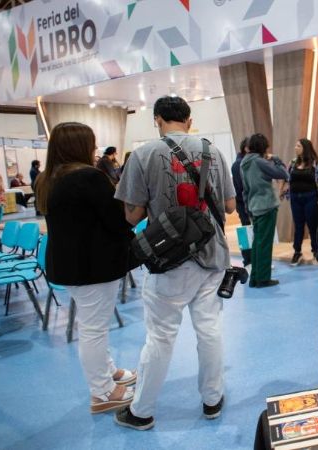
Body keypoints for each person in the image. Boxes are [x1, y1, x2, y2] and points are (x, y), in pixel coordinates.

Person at [114, 96, 236, 430]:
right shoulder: (213, 151)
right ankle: (212, 400)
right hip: (211, 255)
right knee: (209, 329)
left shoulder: (142, 154)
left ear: (157, 119)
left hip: (168, 258)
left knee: (161, 336)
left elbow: (133, 214)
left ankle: (142, 411)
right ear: (189, 119)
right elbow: (228, 205)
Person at [37, 123, 136, 414]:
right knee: (94, 329)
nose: (94, 149)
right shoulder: (89, 178)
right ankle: (103, 392)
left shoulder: (47, 179)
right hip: (93, 266)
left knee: (93, 324)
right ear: (80, 145)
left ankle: (108, 372)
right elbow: (117, 221)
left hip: (69, 266)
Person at [241, 133, 289, 286]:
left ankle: (255, 278)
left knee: (257, 243)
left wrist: (247, 207)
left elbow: (245, 190)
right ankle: (263, 279)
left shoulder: (244, 163)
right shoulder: (260, 162)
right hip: (267, 206)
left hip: (254, 206)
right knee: (265, 244)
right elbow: (283, 173)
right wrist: (275, 159)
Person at [281, 138, 318, 266]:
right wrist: (282, 191)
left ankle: (316, 251)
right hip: (295, 199)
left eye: (298, 146)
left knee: (313, 225)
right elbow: (286, 179)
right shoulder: (293, 163)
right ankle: (297, 252)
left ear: (305, 148)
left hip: (311, 197)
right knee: (298, 225)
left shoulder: (315, 163)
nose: (295, 148)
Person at [231, 137, 252, 265]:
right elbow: (242, 187)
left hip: (245, 203)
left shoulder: (243, 162)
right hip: (244, 203)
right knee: (245, 231)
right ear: (246, 148)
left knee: (247, 231)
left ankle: (249, 260)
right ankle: (248, 260)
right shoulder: (239, 164)